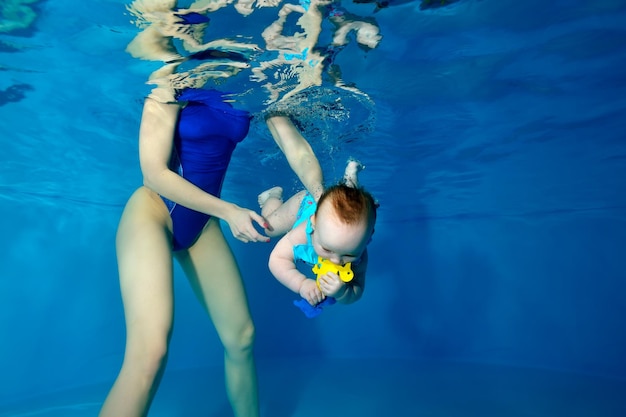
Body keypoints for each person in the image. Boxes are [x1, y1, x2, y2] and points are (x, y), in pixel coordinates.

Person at [98, 87, 270, 417]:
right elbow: (154, 172)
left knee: (243, 337)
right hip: (153, 212)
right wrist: (229, 211)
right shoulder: (169, 78)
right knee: (150, 353)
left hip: (201, 225)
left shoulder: (244, 74)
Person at [258, 114, 377, 309]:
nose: (336, 260)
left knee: (353, 205)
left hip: (335, 212)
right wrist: (301, 283)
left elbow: (356, 292)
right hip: (304, 204)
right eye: (327, 249)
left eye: (348, 255)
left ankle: (351, 177)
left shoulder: (359, 253)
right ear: (313, 225)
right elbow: (277, 259)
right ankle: (272, 196)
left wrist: (343, 292)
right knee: (269, 228)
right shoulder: (304, 232)